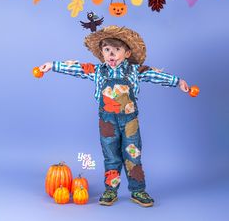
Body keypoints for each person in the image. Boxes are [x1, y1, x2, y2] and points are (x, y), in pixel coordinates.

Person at [39, 25, 189, 207]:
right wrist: (52, 66)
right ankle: (111, 190)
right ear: (102, 53)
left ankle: (138, 190)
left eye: (116, 50)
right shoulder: (96, 71)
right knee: (111, 157)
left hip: (130, 122)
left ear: (126, 53)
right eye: (107, 50)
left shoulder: (135, 71)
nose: (111, 54)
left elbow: (155, 75)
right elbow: (76, 68)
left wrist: (178, 82)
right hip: (107, 123)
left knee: (133, 155)